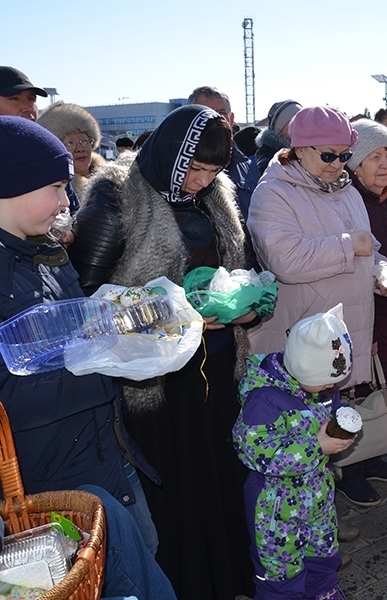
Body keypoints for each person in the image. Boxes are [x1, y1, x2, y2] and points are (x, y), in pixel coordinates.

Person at [68, 104, 257, 600]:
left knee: (219, 473)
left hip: (215, 366)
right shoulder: (115, 195)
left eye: (215, 171)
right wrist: (175, 317)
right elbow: (86, 302)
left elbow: (243, 267)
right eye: (195, 168)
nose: (202, 181)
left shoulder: (218, 196)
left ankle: (227, 577)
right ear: (172, 152)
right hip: (153, 380)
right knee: (176, 486)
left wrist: (248, 307)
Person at [0, 115, 175, 599]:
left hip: (105, 450)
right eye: (56, 186)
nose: (66, 200)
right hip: (51, 480)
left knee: (144, 552)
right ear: (10, 184)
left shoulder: (46, 252)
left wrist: (126, 327)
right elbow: (9, 398)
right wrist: (104, 363)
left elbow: (78, 329)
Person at [246, 106, 387, 508]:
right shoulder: (274, 192)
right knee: (307, 421)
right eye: (328, 155)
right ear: (299, 150)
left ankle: (356, 465)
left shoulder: (347, 191)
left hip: (349, 321)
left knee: (346, 401)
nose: (338, 164)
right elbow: (284, 260)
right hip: (306, 331)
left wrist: (383, 274)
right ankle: (317, 501)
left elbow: (368, 248)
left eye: (343, 155)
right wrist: (347, 246)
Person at [233, 304, 354, 600]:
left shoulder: (318, 387)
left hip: (317, 496)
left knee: (322, 554)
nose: (331, 386)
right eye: (326, 380)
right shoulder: (263, 400)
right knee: (280, 572)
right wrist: (318, 445)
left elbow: (327, 409)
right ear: (301, 366)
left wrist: (340, 425)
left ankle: (323, 591)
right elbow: (256, 451)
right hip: (275, 508)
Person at [340, 118, 387, 505]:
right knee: (355, 391)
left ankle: (374, 455)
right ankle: (349, 468)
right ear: (353, 161)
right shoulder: (348, 202)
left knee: (386, 384)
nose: (386, 164)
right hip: (358, 313)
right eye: (375, 155)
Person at [188, 85, 260, 219]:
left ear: (231, 119)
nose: (214, 120)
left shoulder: (249, 167)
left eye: (221, 114)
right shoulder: (178, 170)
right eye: (205, 113)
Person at [37, 101, 104, 208]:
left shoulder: (110, 182)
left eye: (84, 141)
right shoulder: (54, 192)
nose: (80, 149)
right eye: (70, 143)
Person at [255, 99, 302, 175]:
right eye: (293, 123)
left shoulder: (306, 155)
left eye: (302, 122)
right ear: (279, 128)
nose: (300, 128)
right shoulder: (268, 164)